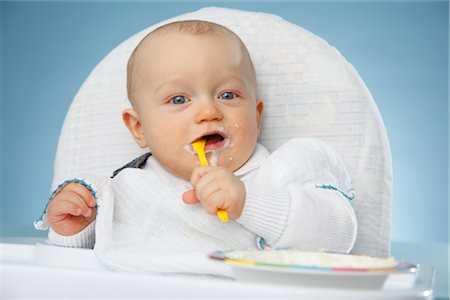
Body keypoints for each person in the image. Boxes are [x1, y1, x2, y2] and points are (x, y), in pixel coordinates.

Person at [35, 20, 357, 274]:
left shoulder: (281, 174)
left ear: (257, 116)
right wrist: (72, 229)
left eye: (228, 95)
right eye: (179, 99)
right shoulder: (120, 189)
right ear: (139, 128)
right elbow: (74, 269)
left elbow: (339, 237)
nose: (208, 112)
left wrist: (250, 203)